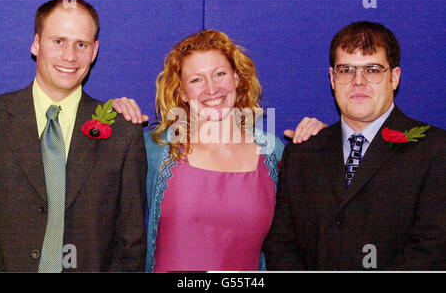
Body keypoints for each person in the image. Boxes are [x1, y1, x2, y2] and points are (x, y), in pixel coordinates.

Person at [113, 29, 324, 272]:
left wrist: (327, 141)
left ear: (236, 78)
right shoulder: (154, 148)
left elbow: (313, 226)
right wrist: (114, 119)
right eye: (196, 80)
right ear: (181, 91)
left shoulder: (272, 151)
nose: (211, 89)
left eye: (220, 74)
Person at [264, 21, 446, 270]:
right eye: (346, 69)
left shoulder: (435, 151)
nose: (358, 81)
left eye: (372, 70)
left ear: (394, 77)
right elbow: (281, 246)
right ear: (332, 78)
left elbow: (432, 250)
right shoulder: (301, 154)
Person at [0, 0, 146, 272]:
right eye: (58, 41)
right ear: (36, 43)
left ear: (94, 51)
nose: (70, 56)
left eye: (81, 44)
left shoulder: (122, 132)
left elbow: (130, 242)